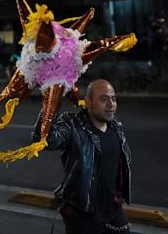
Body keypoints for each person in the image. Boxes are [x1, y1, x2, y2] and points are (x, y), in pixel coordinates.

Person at [32, 79, 132, 234]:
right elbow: (43, 141)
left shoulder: (115, 126)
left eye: (113, 99)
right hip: (82, 212)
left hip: (112, 208)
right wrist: (51, 104)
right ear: (88, 102)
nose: (111, 104)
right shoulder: (73, 125)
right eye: (104, 99)